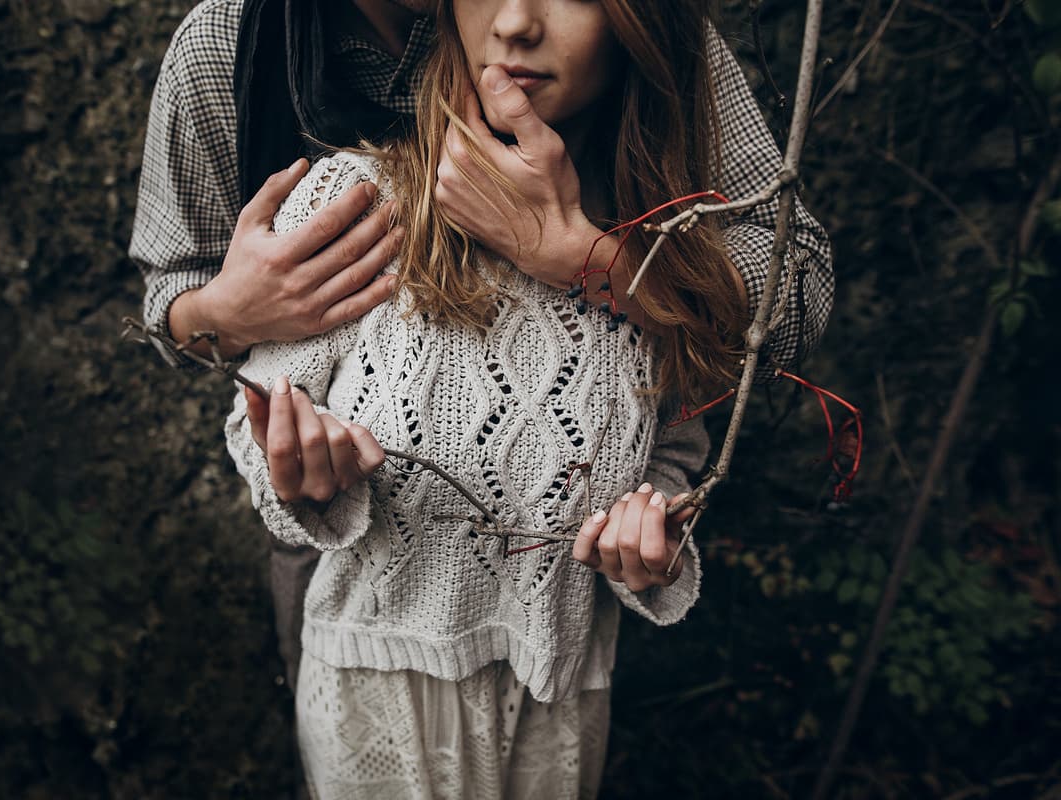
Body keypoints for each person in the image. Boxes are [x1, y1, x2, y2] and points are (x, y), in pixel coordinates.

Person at [130, 0, 832, 689]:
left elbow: (798, 296)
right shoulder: (232, 39)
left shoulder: (631, 21)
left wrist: (583, 259)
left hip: (578, 594)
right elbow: (173, 309)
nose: (516, 24)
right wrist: (231, 311)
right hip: (349, 560)